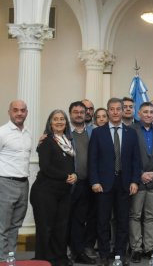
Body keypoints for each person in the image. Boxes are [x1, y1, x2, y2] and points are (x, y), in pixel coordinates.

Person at [89, 98, 141, 266]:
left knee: (123, 221)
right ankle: (104, 254)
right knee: (103, 221)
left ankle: (120, 253)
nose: (116, 112)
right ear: (108, 111)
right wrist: (95, 181)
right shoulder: (98, 132)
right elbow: (93, 160)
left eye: (119, 108)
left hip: (125, 183)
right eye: (112, 109)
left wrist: (135, 181)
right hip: (103, 184)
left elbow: (136, 160)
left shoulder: (131, 132)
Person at [30, 109, 77, 266]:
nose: (59, 121)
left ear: (66, 122)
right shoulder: (46, 141)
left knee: (60, 228)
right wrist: (66, 176)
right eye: (55, 119)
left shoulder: (67, 141)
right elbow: (46, 167)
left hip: (63, 193)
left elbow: (70, 166)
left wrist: (74, 175)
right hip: (44, 192)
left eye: (62, 119)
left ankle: (59, 259)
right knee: (46, 228)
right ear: (50, 123)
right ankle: (43, 260)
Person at [129, 102, 153, 262]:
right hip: (138, 181)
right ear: (139, 113)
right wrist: (141, 174)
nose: (149, 114)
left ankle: (149, 247)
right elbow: (127, 157)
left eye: (152, 112)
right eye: (145, 112)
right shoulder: (131, 131)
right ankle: (136, 248)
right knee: (135, 215)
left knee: (150, 216)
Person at [0, 100, 32, 261]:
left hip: (23, 183)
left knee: (15, 226)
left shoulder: (27, 133)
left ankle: (10, 259)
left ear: (26, 112)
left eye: (22, 110)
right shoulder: (2, 132)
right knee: (2, 227)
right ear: (9, 112)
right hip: (5, 183)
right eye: (16, 110)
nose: (19, 113)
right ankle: (1, 259)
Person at [68, 101, 96, 265]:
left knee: (81, 219)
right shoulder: (64, 133)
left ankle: (79, 251)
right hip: (69, 184)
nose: (79, 114)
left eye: (81, 112)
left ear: (86, 114)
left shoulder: (93, 132)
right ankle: (68, 251)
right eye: (75, 112)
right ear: (70, 114)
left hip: (87, 183)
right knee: (68, 219)